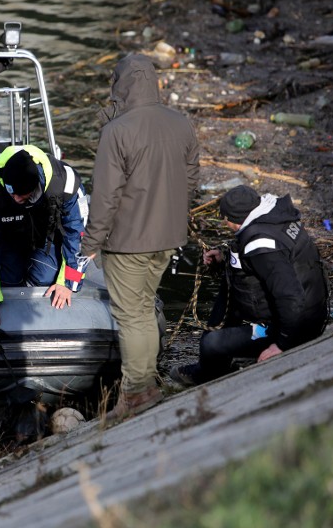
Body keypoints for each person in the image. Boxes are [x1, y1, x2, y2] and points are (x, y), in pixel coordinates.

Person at [81, 53, 200, 422]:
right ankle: (147, 382)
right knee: (145, 308)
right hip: (168, 239)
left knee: (131, 316)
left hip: (127, 243)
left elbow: (105, 196)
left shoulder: (117, 131)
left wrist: (89, 244)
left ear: (120, 85)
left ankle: (134, 394)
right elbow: (192, 179)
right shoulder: (181, 123)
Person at [170, 185, 329, 386]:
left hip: (298, 326)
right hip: (301, 314)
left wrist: (281, 344)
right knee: (229, 285)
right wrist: (224, 258)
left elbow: (291, 296)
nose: (224, 222)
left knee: (212, 344)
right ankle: (217, 359)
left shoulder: (261, 244)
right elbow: (259, 264)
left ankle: (210, 372)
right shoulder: (272, 218)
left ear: (234, 220)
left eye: (225, 218)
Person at [0, 145, 90, 335]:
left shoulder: (66, 183)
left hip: (43, 237)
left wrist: (68, 283)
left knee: (47, 279)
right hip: (6, 237)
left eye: (20, 195)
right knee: (9, 281)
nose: (14, 199)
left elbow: (77, 233)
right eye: (10, 193)